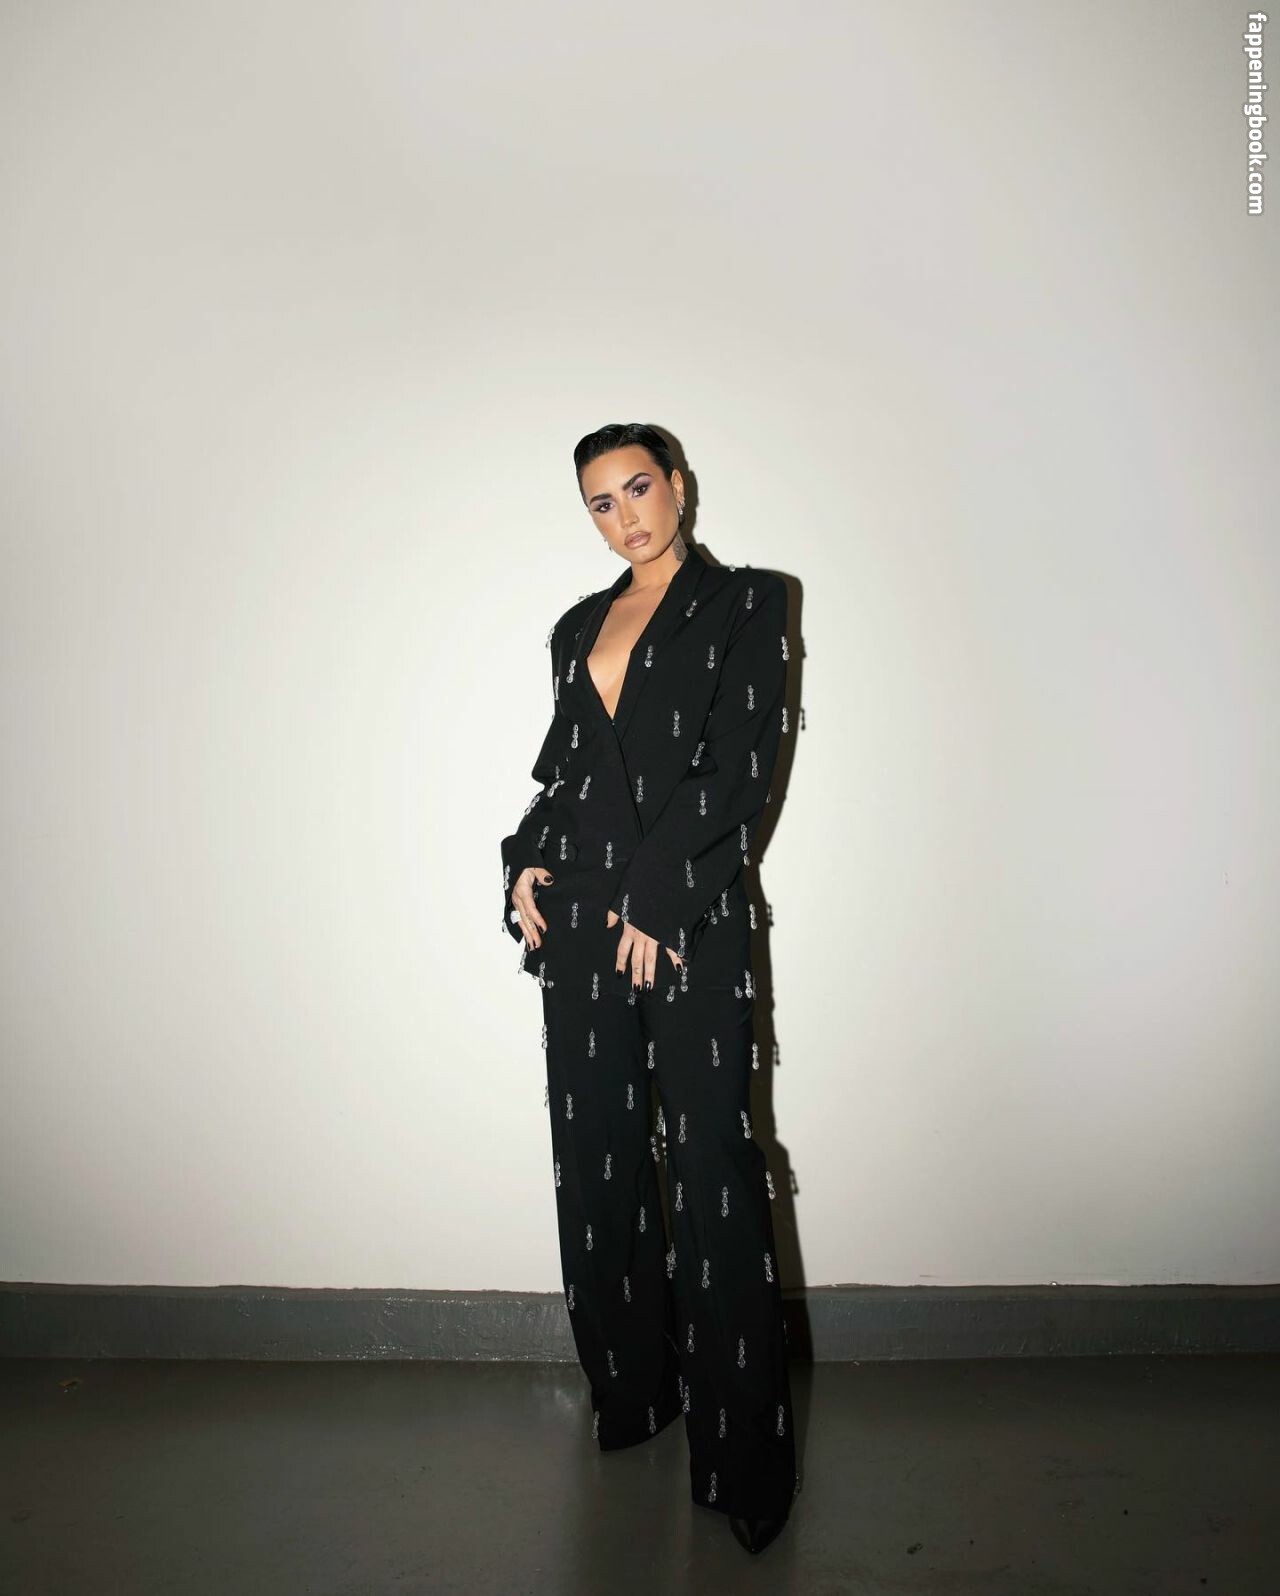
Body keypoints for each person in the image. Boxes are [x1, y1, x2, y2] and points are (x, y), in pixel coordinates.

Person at [499, 421, 797, 1555]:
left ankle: (745, 1462)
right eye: (600, 502)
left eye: (636, 488)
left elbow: (738, 766)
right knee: (600, 1163)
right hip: (581, 922)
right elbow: (567, 768)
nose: (624, 515)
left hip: (688, 919)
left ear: (677, 485)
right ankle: (636, 1391)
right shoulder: (577, 626)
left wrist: (659, 899)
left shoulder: (749, 603)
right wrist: (525, 858)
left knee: (713, 1169)